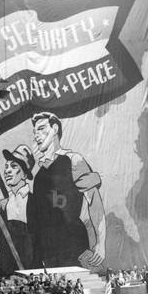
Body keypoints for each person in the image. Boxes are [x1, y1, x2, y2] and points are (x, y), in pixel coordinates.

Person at [29, 112, 105, 269]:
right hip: (48, 252)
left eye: (41, 129)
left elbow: (95, 203)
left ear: (55, 128)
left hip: (74, 247)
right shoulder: (38, 176)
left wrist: (100, 243)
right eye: (35, 132)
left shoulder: (73, 160)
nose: (37, 136)